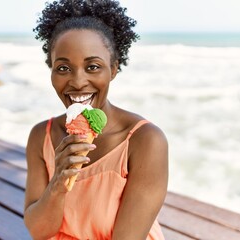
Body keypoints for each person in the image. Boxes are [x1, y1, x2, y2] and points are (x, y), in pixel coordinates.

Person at [23, 0, 168, 239]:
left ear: (113, 69)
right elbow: (39, 231)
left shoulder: (146, 141)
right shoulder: (41, 136)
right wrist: (58, 181)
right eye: (63, 68)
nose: (78, 82)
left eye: (92, 66)